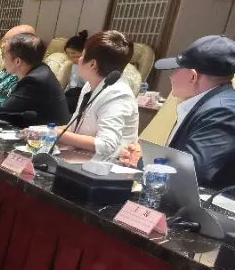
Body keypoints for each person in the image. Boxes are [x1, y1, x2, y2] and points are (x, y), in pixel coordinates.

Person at [120, 35, 235, 189]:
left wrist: (143, 159)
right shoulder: (211, 103)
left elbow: (193, 172)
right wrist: (146, 155)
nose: (170, 76)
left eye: (176, 69)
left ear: (192, 77)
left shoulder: (222, 110)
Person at [55, 30, 138, 161]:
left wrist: (57, 133)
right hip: (78, 159)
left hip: (105, 167)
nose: (79, 60)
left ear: (92, 64)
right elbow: (75, 128)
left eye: (82, 55)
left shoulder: (118, 94)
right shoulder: (89, 85)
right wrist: (43, 131)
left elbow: (106, 145)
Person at [0, 33, 69, 128]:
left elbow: (5, 111)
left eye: (4, 56)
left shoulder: (34, 81)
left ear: (17, 61)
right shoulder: (41, 70)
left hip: (48, 135)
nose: (3, 60)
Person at [63, 30, 89, 111]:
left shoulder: (89, 67)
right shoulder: (73, 65)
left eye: (74, 54)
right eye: (68, 53)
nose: (71, 56)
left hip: (82, 96)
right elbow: (70, 84)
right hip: (70, 94)